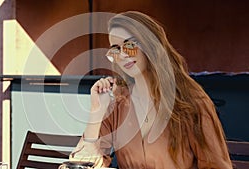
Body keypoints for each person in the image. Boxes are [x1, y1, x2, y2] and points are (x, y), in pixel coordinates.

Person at [69, 11, 232, 169]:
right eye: (116, 50)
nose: (124, 55)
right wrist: (96, 113)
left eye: (130, 45)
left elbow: (216, 165)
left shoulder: (191, 100)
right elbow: (81, 163)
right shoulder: (118, 103)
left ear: (150, 44)